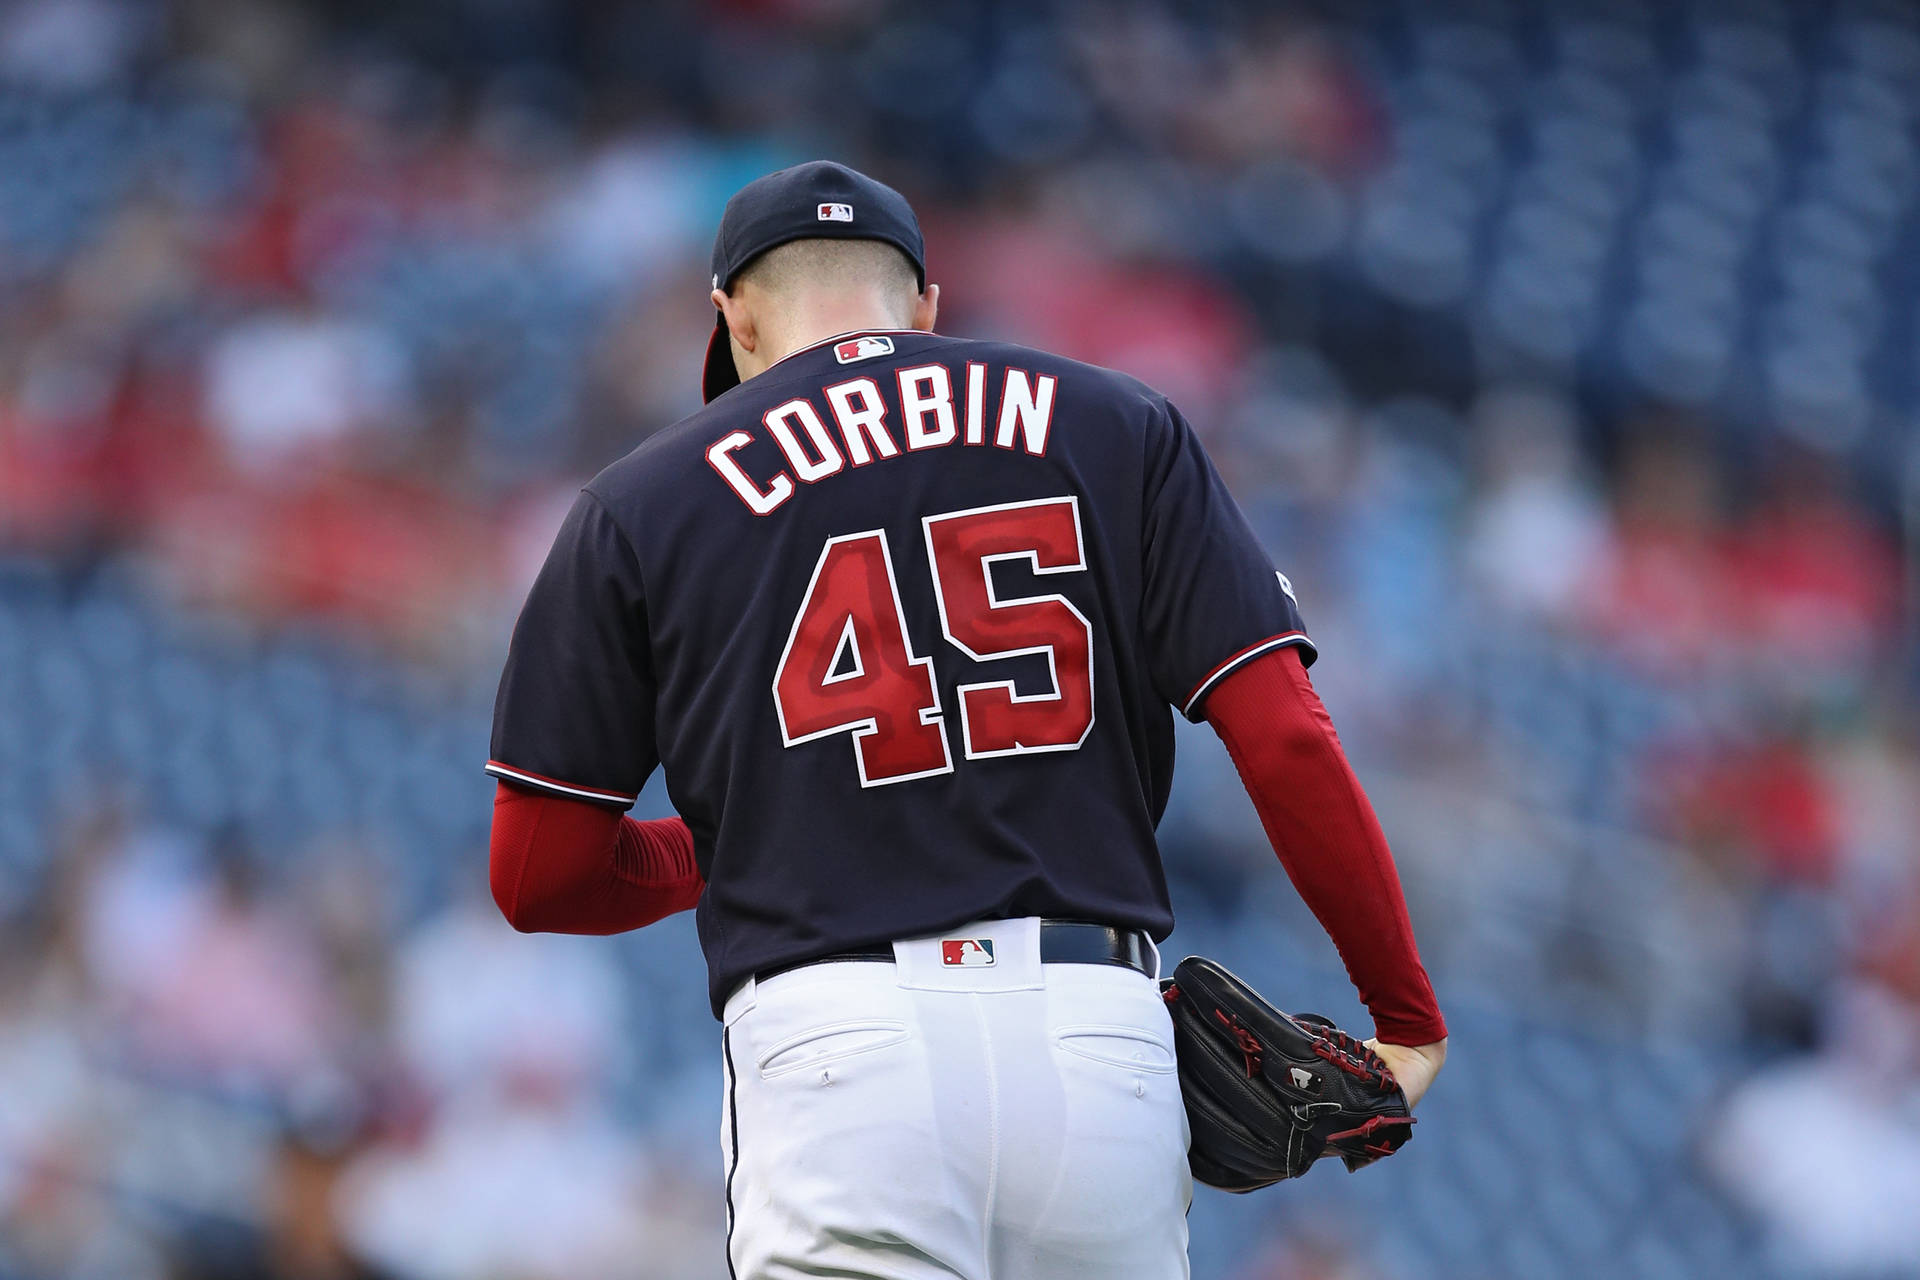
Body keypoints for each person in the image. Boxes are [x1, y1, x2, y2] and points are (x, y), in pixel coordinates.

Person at [484, 161, 1446, 1280]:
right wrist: (1403, 1012)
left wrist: (725, 842)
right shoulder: (1119, 423)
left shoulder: (642, 499)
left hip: (839, 1046)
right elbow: (1283, 735)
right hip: (1098, 1038)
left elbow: (540, 873)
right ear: (927, 305)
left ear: (734, 318)